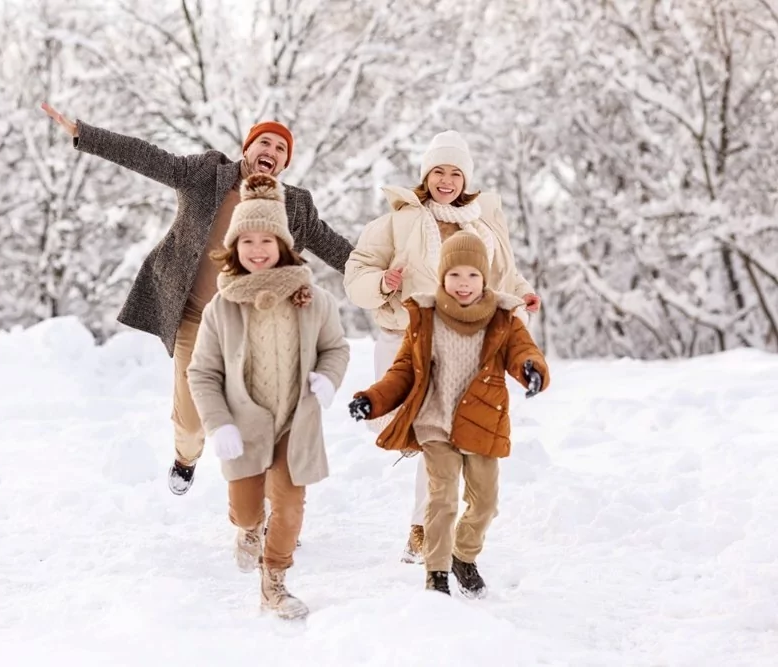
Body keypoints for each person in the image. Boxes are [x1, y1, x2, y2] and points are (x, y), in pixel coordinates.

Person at [41, 103, 353, 495]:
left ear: (285, 163)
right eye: (265, 143)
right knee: (190, 423)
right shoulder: (207, 174)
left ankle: (270, 504)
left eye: (280, 149)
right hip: (196, 318)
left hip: (257, 327)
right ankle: (186, 457)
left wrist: (380, 272)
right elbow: (148, 157)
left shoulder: (294, 205)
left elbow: (334, 247)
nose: (270, 152)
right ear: (248, 148)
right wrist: (84, 134)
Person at [343, 129, 541, 563]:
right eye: (438, 171)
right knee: (411, 428)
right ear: (426, 175)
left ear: (466, 178)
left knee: (442, 435)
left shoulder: (483, 223)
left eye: (455, 172)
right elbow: (356, 272)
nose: (446, 181)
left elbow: (503, 273)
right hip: (403, 336)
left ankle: (422, 528)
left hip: (463, 341)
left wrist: (522, 296)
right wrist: (382, 282)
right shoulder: (399, 220)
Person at [348, 231, 549, 597]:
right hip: (435, 422)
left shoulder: (503, 318)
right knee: (441, 498)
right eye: (455, 275)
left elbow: (524, 352)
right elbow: (402, 372)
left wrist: (532, 370)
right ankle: (437, 573)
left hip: (484, 422)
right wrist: (372, 400)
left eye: (472, 275)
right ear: (442, 277)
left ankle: (464, 557)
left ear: (484, 278)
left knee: (485, 501)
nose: (463, 283)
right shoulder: (425, 318)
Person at [186, 174, 350, 619]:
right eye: (247, 241)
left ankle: (274, 582)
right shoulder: (221, 307)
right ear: (234, 248)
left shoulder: (313, 299)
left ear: (283, 244)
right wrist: (218, 423)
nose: (257, 250)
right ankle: (246, 530)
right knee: (245, 509)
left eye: (267, 240)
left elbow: (336, 347)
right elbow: (202, 372)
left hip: (295, 423)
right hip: (243, 423)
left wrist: (329, 378)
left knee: (291, 507)